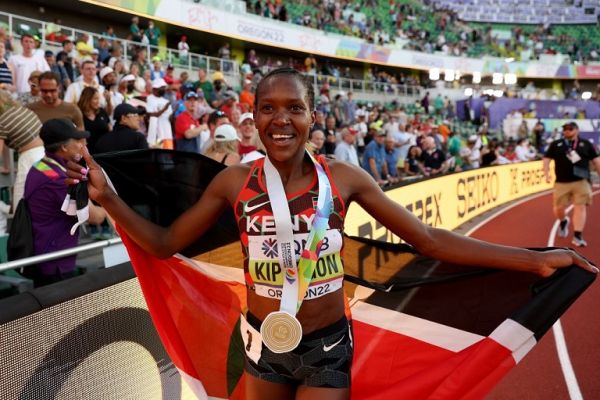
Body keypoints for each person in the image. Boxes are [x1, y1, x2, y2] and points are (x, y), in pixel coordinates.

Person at [66, 68, 597, 400]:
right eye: (268, 108)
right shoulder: (232, 183)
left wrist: (533, 261)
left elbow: (429, 241)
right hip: (261, 345)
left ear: (311, 116)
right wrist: (109, 199)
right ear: (252, 118)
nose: (281, 120)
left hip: (327, 347)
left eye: (293, 108)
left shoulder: (344, 178)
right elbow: (163, 245)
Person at [24, 118, 105, 286]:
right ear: (64, 147)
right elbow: (95, 217)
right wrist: (111, 206)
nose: (83, 144)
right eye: (77, 140)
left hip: (45, 253)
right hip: (55, 262)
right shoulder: (59, 180)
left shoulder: (40, 167)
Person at [543, 122, 600, 247]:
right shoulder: (556, 144)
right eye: (565, 129)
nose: (567, 131)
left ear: (577, 130)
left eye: (570, 129)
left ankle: (577, 235)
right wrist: (546, 173)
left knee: (580, 206)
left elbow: (596, 160)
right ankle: (563, 220)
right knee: (558, 208)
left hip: (582, 181)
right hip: (561, 182)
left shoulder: (586, 144)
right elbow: (546, 159)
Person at [0, 90, 45, 209]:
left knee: (20, 199)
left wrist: (5, 167)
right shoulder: (24, 110)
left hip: (30, 158)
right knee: (51, 182)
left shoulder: (2, 121)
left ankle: (19, 225)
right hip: (45, 154)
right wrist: (6, 166)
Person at [78, 86, 111, 155]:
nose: (98, 101)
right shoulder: (79, 114)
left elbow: (109, 127)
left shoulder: (101, 111)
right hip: (88, 154)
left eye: (98, 98)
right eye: (95, 99)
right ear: (87, 99)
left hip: (106, 151)